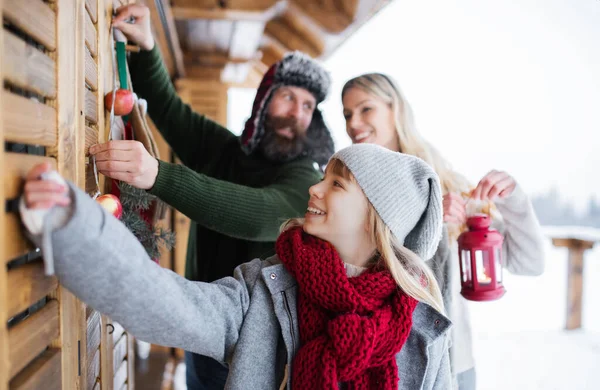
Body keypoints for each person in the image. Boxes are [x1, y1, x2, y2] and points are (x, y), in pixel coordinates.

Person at [21, 144, 452, 389]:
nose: (314, 188)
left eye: (336, 184)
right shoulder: (265, 290)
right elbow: (167, 304)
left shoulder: (423, 334)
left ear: (376, 220)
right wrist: (73, 223)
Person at [90, 5, 335, 387]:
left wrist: (157, 175)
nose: (296, 113)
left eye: (307, 106)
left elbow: (256, 215)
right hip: (200, 323)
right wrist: (149, 45)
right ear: (265, 99)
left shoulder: (307, 178)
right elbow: (171, 111)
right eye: (288, 97)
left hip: (257, 344)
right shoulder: (228, 151)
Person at [341, 73, 546, 390]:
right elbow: (353, 270)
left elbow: (529, 262)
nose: (354, 123)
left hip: (454, 365)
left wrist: (515, 199)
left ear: (396, 109)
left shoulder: (447, 182)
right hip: (382, 364)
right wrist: (427, 220)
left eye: (365, 109)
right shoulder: (347, 188)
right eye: (347, 114)